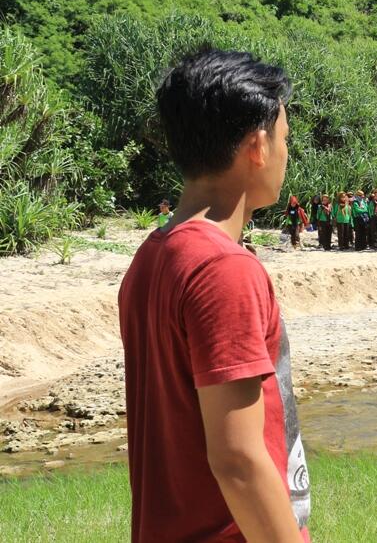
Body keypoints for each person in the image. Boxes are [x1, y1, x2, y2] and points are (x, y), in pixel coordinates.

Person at [118, 51, 310, 542]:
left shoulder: (153, 256)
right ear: (257, 146)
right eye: (286, 139)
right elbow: (239, 461)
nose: (289, 154)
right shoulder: (224, 270)